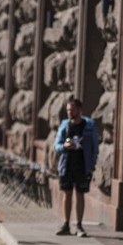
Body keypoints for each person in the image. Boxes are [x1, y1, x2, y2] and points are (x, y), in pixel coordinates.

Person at [54, 98, 99, 237]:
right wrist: (65, 146)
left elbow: (95, 147)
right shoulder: (65, 126)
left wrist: (92, 164)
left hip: (82, 165)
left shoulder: (89, 126)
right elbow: (57, 145)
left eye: (72, 109)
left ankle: (79, 225)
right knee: (67, 194)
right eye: (68, 110)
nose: (69, 112)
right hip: (66, 165)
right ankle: (66, 224)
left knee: (80, 194)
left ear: (79, 110)